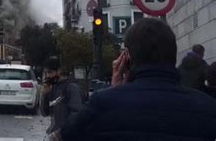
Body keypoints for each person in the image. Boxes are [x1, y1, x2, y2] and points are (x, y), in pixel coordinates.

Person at [60, 18, 216, 141]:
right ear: (174, 54)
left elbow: (64, 135)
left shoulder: (102, 103)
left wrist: (114, 91)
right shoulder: (207, 106)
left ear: (126, 58)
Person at [40, 57, 83, 141]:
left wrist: (61, 132)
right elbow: (45, 113)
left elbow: (77, 114)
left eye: (50, 72)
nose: (48, 76)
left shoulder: (71, 87)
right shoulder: (52, 87)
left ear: (58, 71)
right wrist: (45, 95)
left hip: (67, 135)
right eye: (46, 73)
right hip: (53, 134)